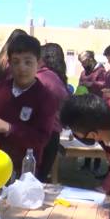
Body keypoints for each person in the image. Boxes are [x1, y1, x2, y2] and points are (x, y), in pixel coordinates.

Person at [0, 33, 58, 178]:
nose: (21, 68)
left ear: (39, 63)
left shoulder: (45, 98)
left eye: (28, 62)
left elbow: (41, 139)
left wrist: (9, 128)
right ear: (9, 63)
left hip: (23, 171)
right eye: (16, 62)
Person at [36, 42, 70, 181]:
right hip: (52, 132)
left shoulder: (42, 77)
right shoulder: (55, 77)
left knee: (34, 179)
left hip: (43, 134)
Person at [78, 50, 106, 173]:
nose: (82, 65)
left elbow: (103, 85)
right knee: (88, 135)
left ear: (90, 59)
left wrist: (90, 84)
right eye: (81, 63)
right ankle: (87, 163)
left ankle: (97, 165)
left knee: (97, 136)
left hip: (98, 107)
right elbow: (80, 84)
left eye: (83, 62)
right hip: (86, 107)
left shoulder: (101, 71)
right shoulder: (84, 73)